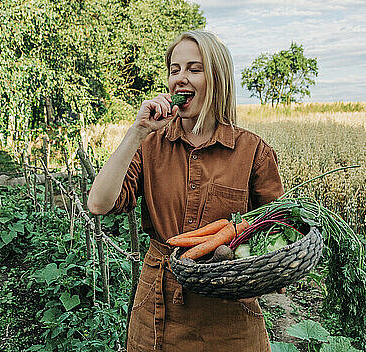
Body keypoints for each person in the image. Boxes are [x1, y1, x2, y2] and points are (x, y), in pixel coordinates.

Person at [87, 30, 284, 352]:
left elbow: (278, 227)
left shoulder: (252, 151)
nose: (181, 78)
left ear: (217, 79)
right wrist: (136, 133)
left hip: (228, 305)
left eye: (194, 69)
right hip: (159, 300)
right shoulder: (150, 144)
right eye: (174, 69)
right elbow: (98, 203)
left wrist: (261, 269)